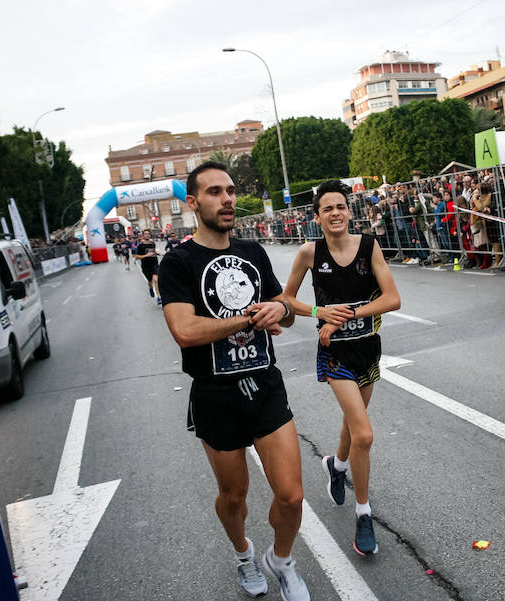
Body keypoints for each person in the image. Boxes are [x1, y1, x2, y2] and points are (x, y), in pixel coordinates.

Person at [157, 161, 310, 601]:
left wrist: (279, 310)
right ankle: (244, 555)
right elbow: (184, 330)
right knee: (234, 496)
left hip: (264, 384)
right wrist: (247, 317)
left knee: (291, 495)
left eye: (230, 190)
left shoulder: (252, 253)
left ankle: (280, 562)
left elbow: (280, 301)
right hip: (216, 394)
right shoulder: (178, 262)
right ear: (193, 202)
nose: (227, 199)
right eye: (214, 192)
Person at [282, 180, 401, 557]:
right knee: (364, 433)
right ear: (317, 217)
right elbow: (285, 299)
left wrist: (347, 314)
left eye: (341, 206)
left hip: (367, 349)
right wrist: (320, 313)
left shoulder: (369, 246)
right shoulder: (309, 253)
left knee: (354, 423)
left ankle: (336, 465)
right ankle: (363, 513)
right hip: (335, 356)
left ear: (350, 212)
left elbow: (392, 299)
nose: (335, 213)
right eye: (327, 208)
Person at [134, 230, 161, 304]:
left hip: (154, 264)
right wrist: (146, 255)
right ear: (143, 236)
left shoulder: (152, 243)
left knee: (156, 280)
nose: (147, 235)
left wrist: (157, 253)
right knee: (150, 281)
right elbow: (136, 256)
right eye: (145, 234)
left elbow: (153, 251)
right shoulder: (140, 245)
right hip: (146, 266)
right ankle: (150, 287)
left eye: (148, 234)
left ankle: (159, 297)